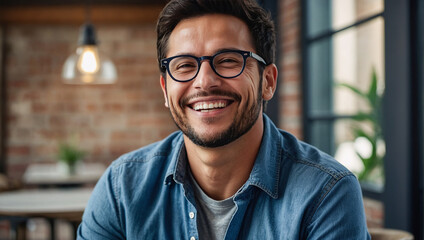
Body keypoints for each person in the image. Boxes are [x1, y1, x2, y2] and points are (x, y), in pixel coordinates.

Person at [77, 0, 370, 239]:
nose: (204, 82)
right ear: (166, 90)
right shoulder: (122, 189)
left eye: (228, 60)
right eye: (185, 65)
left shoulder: (326, 193)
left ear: (268, 81)